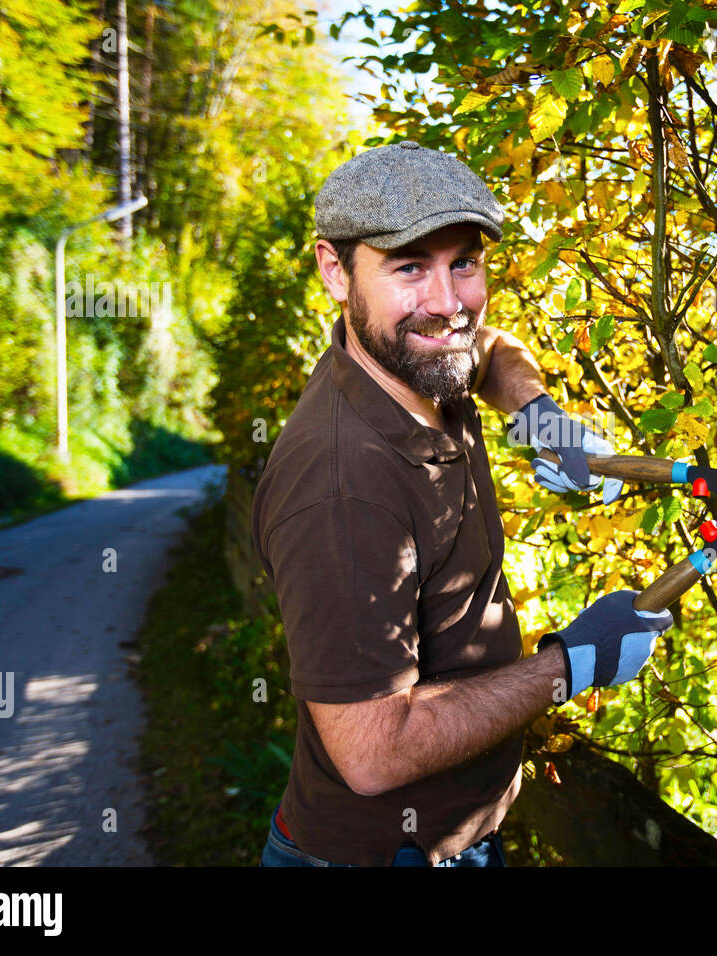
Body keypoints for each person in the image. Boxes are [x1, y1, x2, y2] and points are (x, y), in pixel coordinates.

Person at [252, 141, 676, 867]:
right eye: (410, 266)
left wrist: (540, 417)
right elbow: (372, 754)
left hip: (457, 842)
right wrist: (568, 666)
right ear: (334, 270)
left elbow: (488, 347)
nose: (449, 304)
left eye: (465, 263)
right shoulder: (340, 488)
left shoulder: (417, 361)